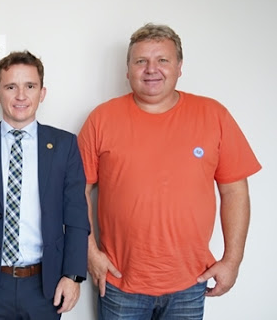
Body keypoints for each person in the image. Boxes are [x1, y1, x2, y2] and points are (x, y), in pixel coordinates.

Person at [78, 23, 262, 319]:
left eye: (162, 60)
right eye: (141, 61)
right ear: (128, 70)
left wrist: (232, 260)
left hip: (190, 283)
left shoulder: (213, 115)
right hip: (120, 282)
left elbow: (234, 190)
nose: (152, 69)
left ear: (179, 67)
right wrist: (90, 254)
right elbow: (77, 191)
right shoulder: (102, 118)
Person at [0, 51, 90, 319]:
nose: (21, 96)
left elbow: (76, 215)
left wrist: (73, 275)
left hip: (45, 286)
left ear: (42, 92)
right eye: (11, 87)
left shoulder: (64, 145)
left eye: (30, 86)